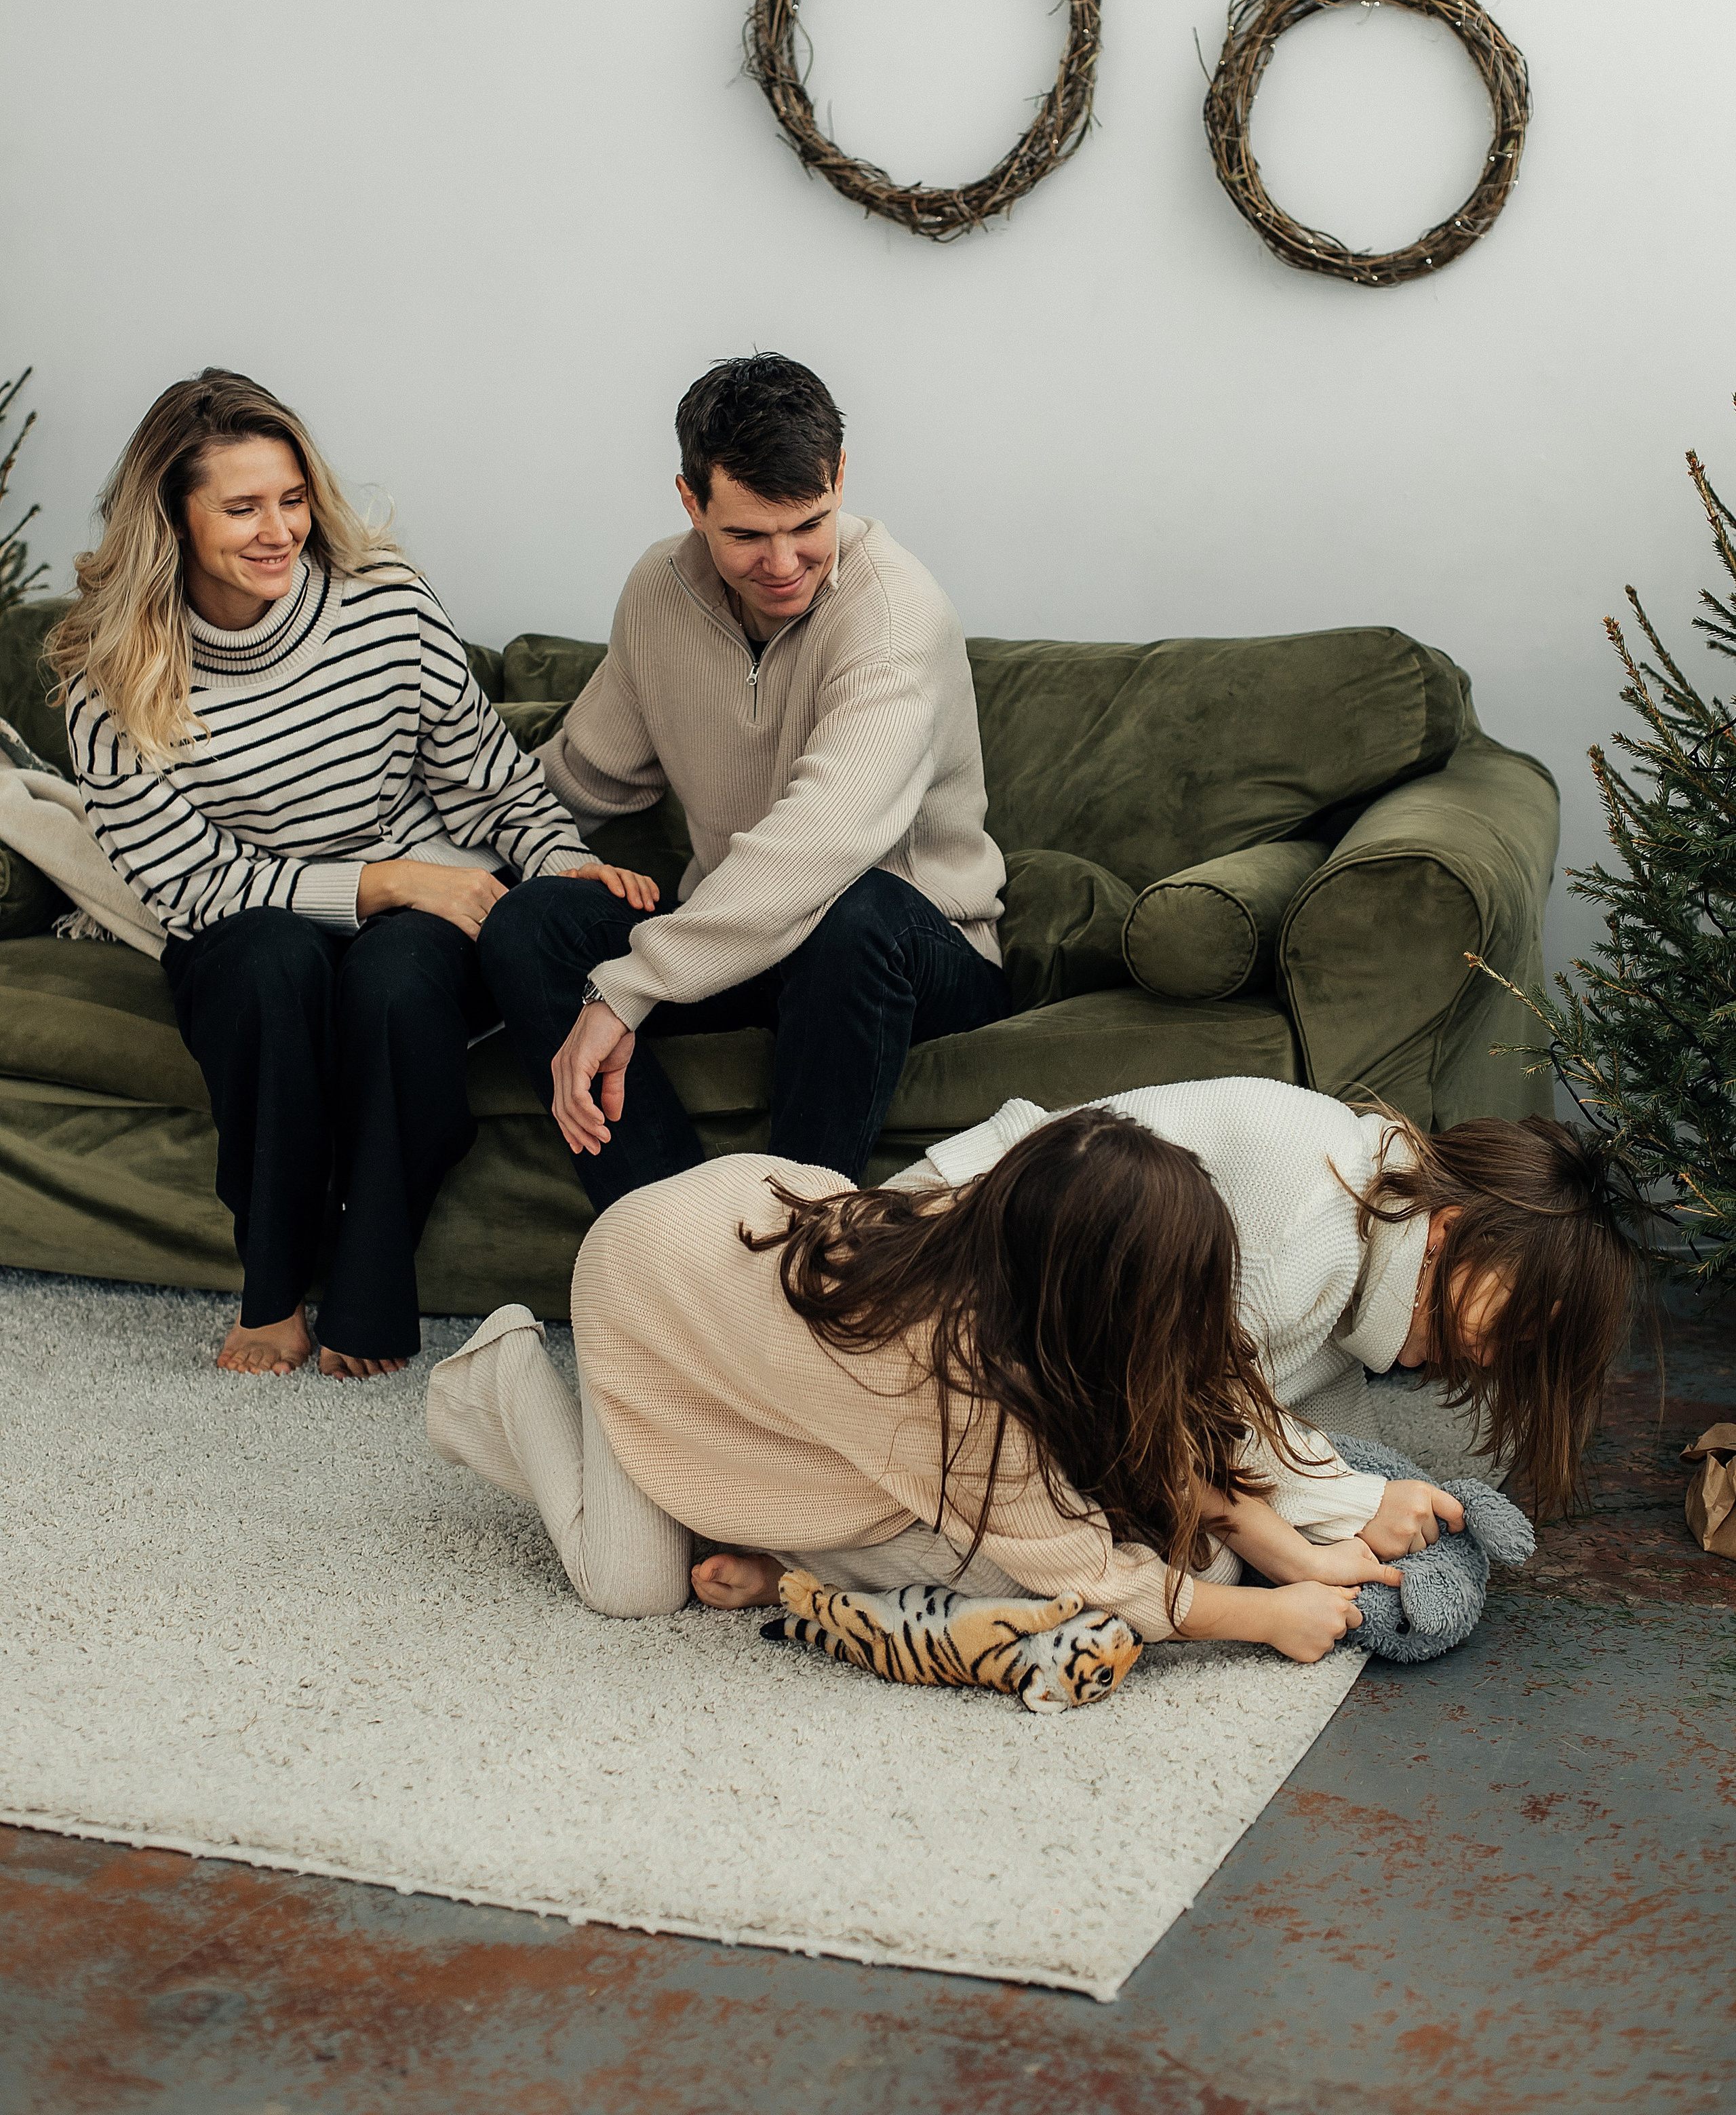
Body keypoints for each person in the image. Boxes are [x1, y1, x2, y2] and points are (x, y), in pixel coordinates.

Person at [49, 371, 658, 1382]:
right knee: (270, 969)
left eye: (291, 499)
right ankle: (272, 1291)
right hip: (253, 921)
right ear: (171, 519)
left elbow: (486, 783)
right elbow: (185, 883)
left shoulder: (382, 603)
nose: (278, 529)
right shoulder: (109, 669)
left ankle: (371, 1296)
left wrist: (564, 868)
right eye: (242, 507)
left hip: (425, 908)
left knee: (390, 983)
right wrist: (386, 882)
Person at [427, 1110, 1429, 1663]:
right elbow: (1089, 1571)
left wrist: (1283, 1540)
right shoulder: (944, 1388)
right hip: (648, 1295)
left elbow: (1152, 1418)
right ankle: (502, 1375)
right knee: (632, 1589)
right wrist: (1265, 1615)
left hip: (737, 1258)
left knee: (1159, 1551)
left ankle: (759, 1509)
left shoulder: (1013, 1261)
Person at [476, 353, 1008, 1209]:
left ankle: (787, 1253)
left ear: (840, 477)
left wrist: (630, 986)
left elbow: (819, 845)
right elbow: (584, 773)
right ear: (691, 501)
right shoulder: (659, 591)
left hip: (912, 946)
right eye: (747, 536)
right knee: (530, 923)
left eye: (809, 524)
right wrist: (419, 845)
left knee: (856, 908)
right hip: (742, 942)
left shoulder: (895, 616)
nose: (785, 562)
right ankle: (672, 1242)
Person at [890, 1079, 1643, 1518]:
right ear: (1450, 1230)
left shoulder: (1360, 1270)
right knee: (1157, 1536)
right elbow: (1190, 1416)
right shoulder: (1312, 1220)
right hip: (937, 1267)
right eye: (1509, 1325)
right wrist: (1353, 1508)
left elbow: (1309, 1443)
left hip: (1030, 1323)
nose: (1487, 1355)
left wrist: (1366, 1497)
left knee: (1239, 1530)